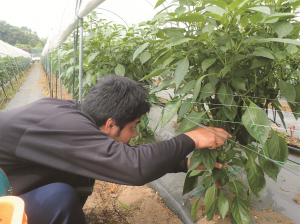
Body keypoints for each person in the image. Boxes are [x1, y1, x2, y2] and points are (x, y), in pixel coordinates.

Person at [0, 75, 231, 224]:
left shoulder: (71, 115)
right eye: (132, 128)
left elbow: (112, 155)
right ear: (110, 124)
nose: (134, 135)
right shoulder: (62, 124)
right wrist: (190, 139)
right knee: (60, 199)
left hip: (10, 185)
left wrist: (185, 164)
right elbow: (132, 166)